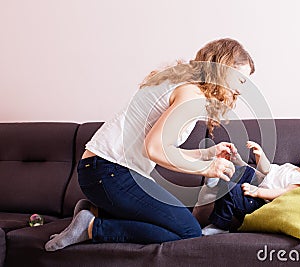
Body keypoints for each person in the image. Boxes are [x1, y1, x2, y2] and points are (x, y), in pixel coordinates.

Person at [45, 38, 256, 251]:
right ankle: (92, 227)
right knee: (189, 232)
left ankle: (96, 211)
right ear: (221, 69)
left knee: (174, 224)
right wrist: (208, 168)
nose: (241, 89)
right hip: (111, 172)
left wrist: (205, 153)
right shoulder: (192, 96)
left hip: (100, 171)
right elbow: (154, 149)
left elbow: (164, 147)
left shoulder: (183, 85)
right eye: (239, 79)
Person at [202, 141, 300, 235]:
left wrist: (258, 192)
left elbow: (284, 193)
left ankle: (221, 226)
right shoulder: (290, 167)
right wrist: (260, 154)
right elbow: (266, 170)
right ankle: (216, 180)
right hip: (257, 185)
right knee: (245, 171)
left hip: (260, 203)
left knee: (232, 191)